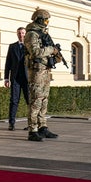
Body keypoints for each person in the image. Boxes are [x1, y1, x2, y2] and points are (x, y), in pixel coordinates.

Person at [23, 9, 59, 142]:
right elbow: (35, 52)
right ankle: (33, 130)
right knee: (36, 101)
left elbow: (49, 50)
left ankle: (43, 126)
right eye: (45, 20)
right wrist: (51, 50)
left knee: (44, 100)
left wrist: (56, 55)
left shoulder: (43, 34)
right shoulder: (32, 34)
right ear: (38, 19)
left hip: (45, 70)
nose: (46, 23)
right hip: (36, 72)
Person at [4, 27, 29, 131]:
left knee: (30, 101)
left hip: (27, 79)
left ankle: (31, 124)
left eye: (23, 33)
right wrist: (6, 78)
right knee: (14, 101)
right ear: (17, 34)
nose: (21, 35)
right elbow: (8, 63)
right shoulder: (12, 46)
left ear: (26, 34)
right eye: (19, 33)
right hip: (15, 79)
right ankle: (11, 123)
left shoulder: (30, 47)